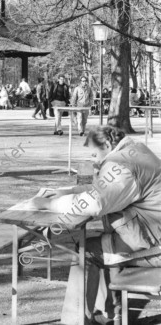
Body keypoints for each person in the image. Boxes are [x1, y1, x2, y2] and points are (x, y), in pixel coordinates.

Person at [29, 126, 161, 325]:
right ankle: (108, 314)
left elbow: (95, 203)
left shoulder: (122, 166)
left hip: (154, 247)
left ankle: (75, 321)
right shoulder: (135, 152)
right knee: (102, 245)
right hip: (151, 235)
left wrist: (49, 204)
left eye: (94, 153)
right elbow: (104, 189)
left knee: (86, 252)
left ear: (107, 145)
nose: (92, 159)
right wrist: (68, 192)